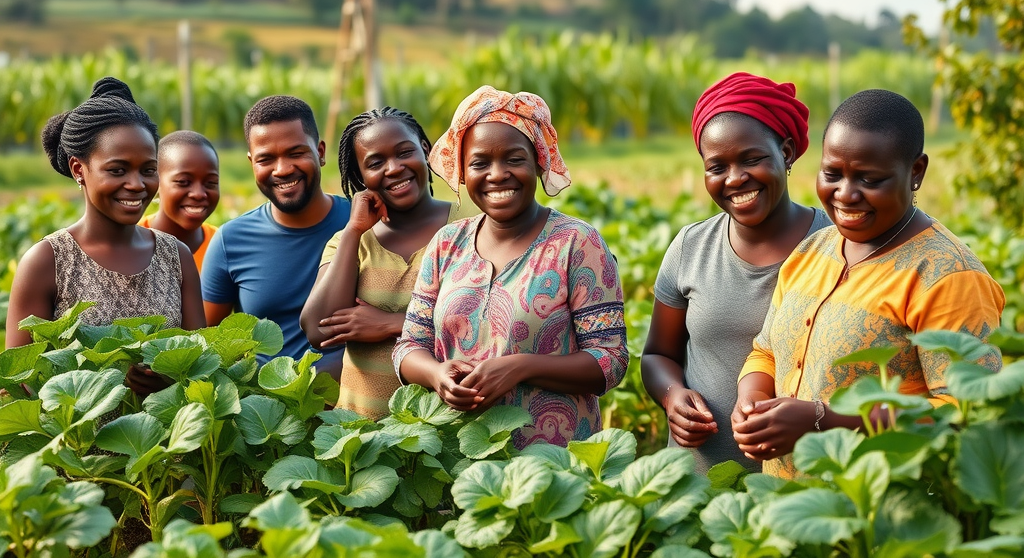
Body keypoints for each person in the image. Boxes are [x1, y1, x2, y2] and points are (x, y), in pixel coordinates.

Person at [732, 89, 1005, 478]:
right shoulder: (812, 250)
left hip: (883, 516)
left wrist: (824, 420)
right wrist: (751, 399)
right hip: (788, 509)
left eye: (869, 178)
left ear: (916, 172)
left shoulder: (949, 276)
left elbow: (967, 412)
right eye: (831, 174)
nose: (845, 193)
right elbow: (767, 350)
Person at [393, 85, 628, 448]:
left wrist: (521, 367)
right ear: (461, 170)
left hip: (554, 461)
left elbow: (610, 361)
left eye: (514, 159)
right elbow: (409, 346)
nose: (497, 174)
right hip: (457, 454)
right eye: (480, 162)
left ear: (538, 161)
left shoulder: (577, 243)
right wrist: (437, 374)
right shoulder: (446, 243)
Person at [641, 72, 831, 475]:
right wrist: (673, 396)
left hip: (805, 481)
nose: (735, 178)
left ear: (788, 151)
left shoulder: (836, 245)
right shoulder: (691, 247)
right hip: (698, 481)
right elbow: (658, 355)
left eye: (752, 159)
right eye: (717, 166)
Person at [5, 76, 205, 351]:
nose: (136, 185)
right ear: (79, 170)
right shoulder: (48, 262)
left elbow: (202, 362)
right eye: (117, 170)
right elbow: (18, 380)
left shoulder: (176, 256)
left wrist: (165, 380)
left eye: (148, 170)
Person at [300, 107, 456, 419]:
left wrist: (391, 324)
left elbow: (493, 326)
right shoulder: (351, 242)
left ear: (426, 150)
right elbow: (319, 329)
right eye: (376, 163)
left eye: (404, 152)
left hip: (445, 430)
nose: (394, 168)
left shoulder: (472, 228)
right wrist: (354, 230)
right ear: (360, 176)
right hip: (360, 436)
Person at [201, 95, 351, 377]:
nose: (282, 169)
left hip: (356, 409)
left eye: (296, 153)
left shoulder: (363, 223)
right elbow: (202, 341)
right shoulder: (230, 241)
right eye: (266, 159)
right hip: (267, 414)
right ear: (251, 163)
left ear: (320, 151)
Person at [139, 130, 220, 274]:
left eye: (211, 182)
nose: (198, 194)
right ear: (156, 182)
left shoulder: (224, 248)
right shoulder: (127, 245)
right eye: (183, 182)